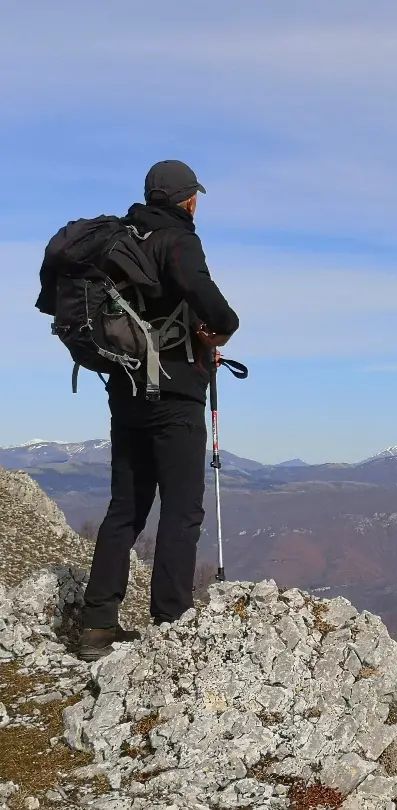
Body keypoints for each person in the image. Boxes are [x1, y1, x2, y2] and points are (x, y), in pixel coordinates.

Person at [79, 160, 240, 661]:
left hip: (125, 390)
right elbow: (209, 303)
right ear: (187, 199)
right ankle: (170, 622)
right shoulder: (179, 241)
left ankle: (98, 624)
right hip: (174, 393)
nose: (197, 204)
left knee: (126, 507)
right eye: (195, 197)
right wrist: (226, 325)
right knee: (182, 508)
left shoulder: (120, 239)